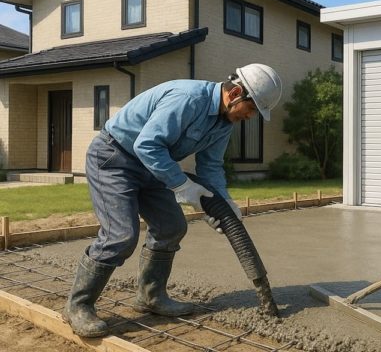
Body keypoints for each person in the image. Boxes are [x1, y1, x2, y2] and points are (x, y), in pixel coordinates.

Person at [63, 63, 282, 337]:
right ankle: (78, 306)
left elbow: (211, 167)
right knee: (120, 236)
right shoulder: (189, 99)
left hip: (153, 165)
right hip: (114, 158)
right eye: (252, 109)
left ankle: (150, 296)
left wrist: (224, 205)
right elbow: (147, 144)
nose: (250, 117)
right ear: (236, 93)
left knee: (171, 226)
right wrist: (182, 186)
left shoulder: (224, 123)